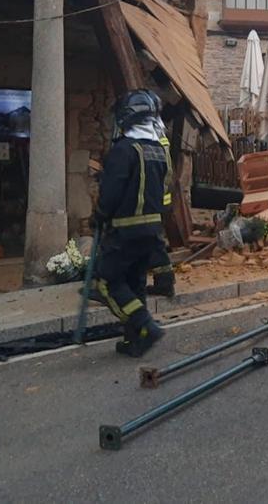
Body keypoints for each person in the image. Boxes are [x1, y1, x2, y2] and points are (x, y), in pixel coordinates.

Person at [91, 90, 173, 357]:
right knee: (135, 282)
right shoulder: (159, 151)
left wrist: (99, 215)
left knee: (106, 281)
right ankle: (134, 340)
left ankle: (145, 325)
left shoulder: (123, 150)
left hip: (125, 229)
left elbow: (112, 191)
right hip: (151, 230)